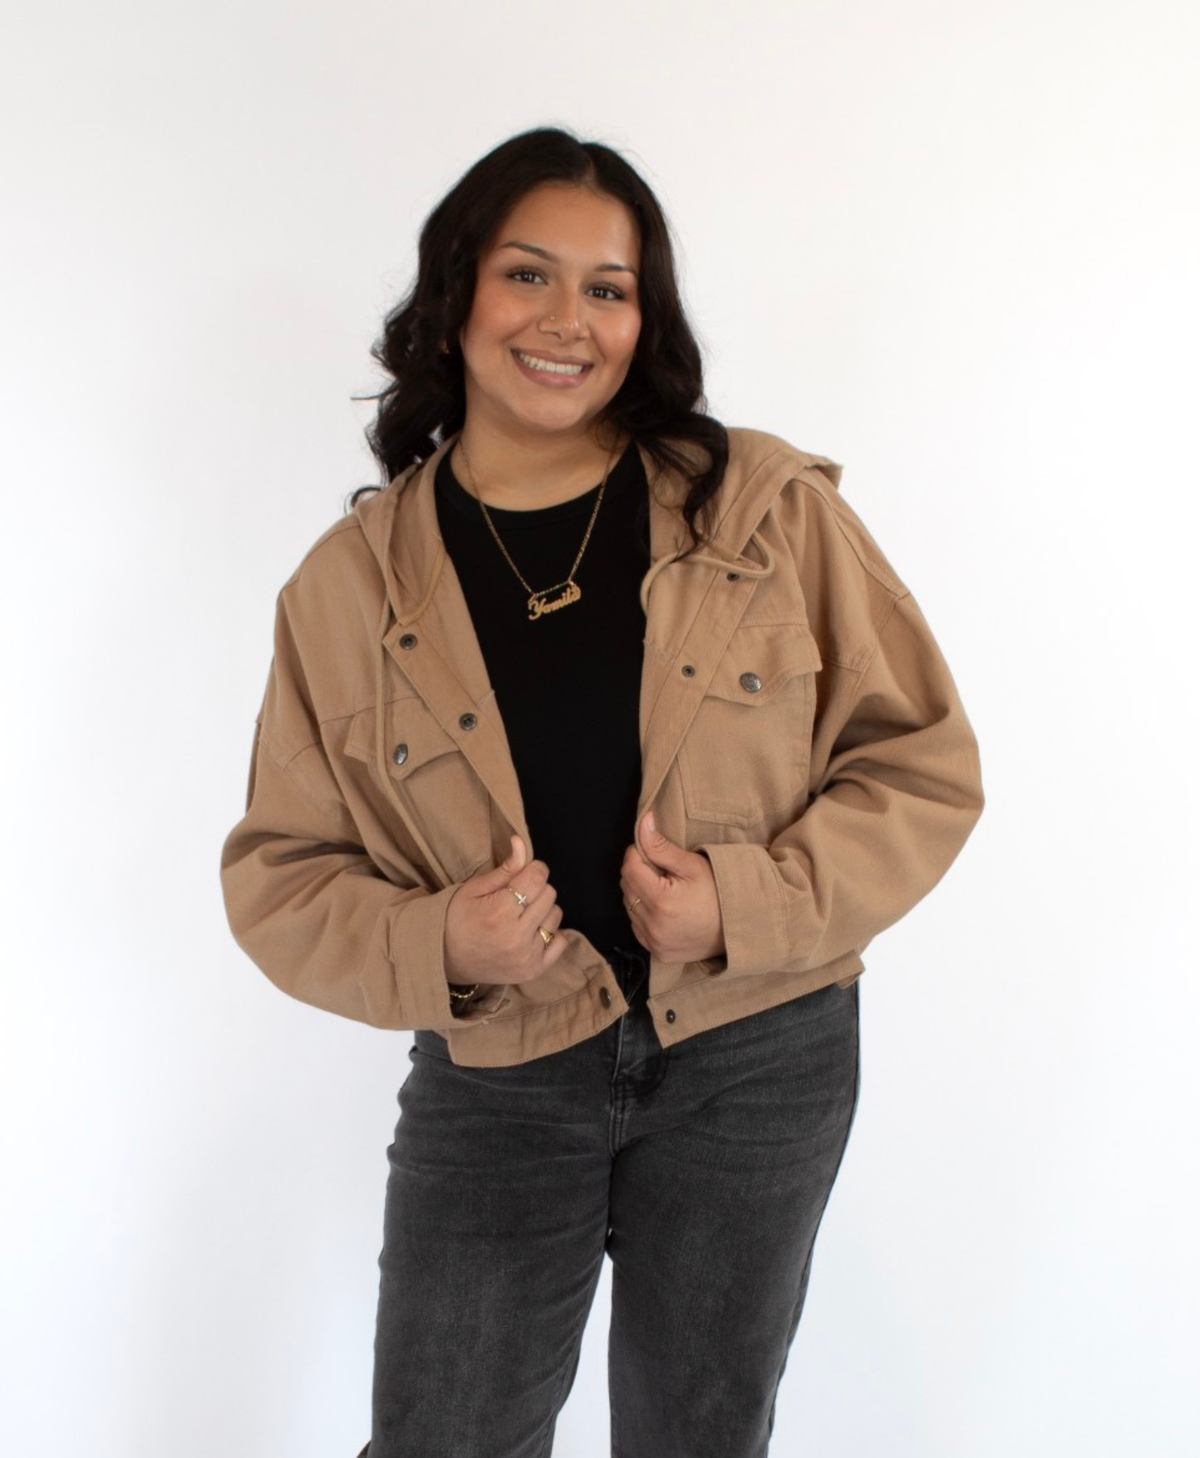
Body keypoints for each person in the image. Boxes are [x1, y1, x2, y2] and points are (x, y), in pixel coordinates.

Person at [221, 127, 983, 1458]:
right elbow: (279, 876)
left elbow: (922, 762)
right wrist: (440, 942)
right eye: (528, 274)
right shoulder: (347, 588)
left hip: (759, 1052)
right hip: (500, 1072)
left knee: (701, 1436)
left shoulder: (765, 510)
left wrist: (742, 902)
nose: (567, 319)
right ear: (457, 292)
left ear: (647, 317)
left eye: (609, 286)